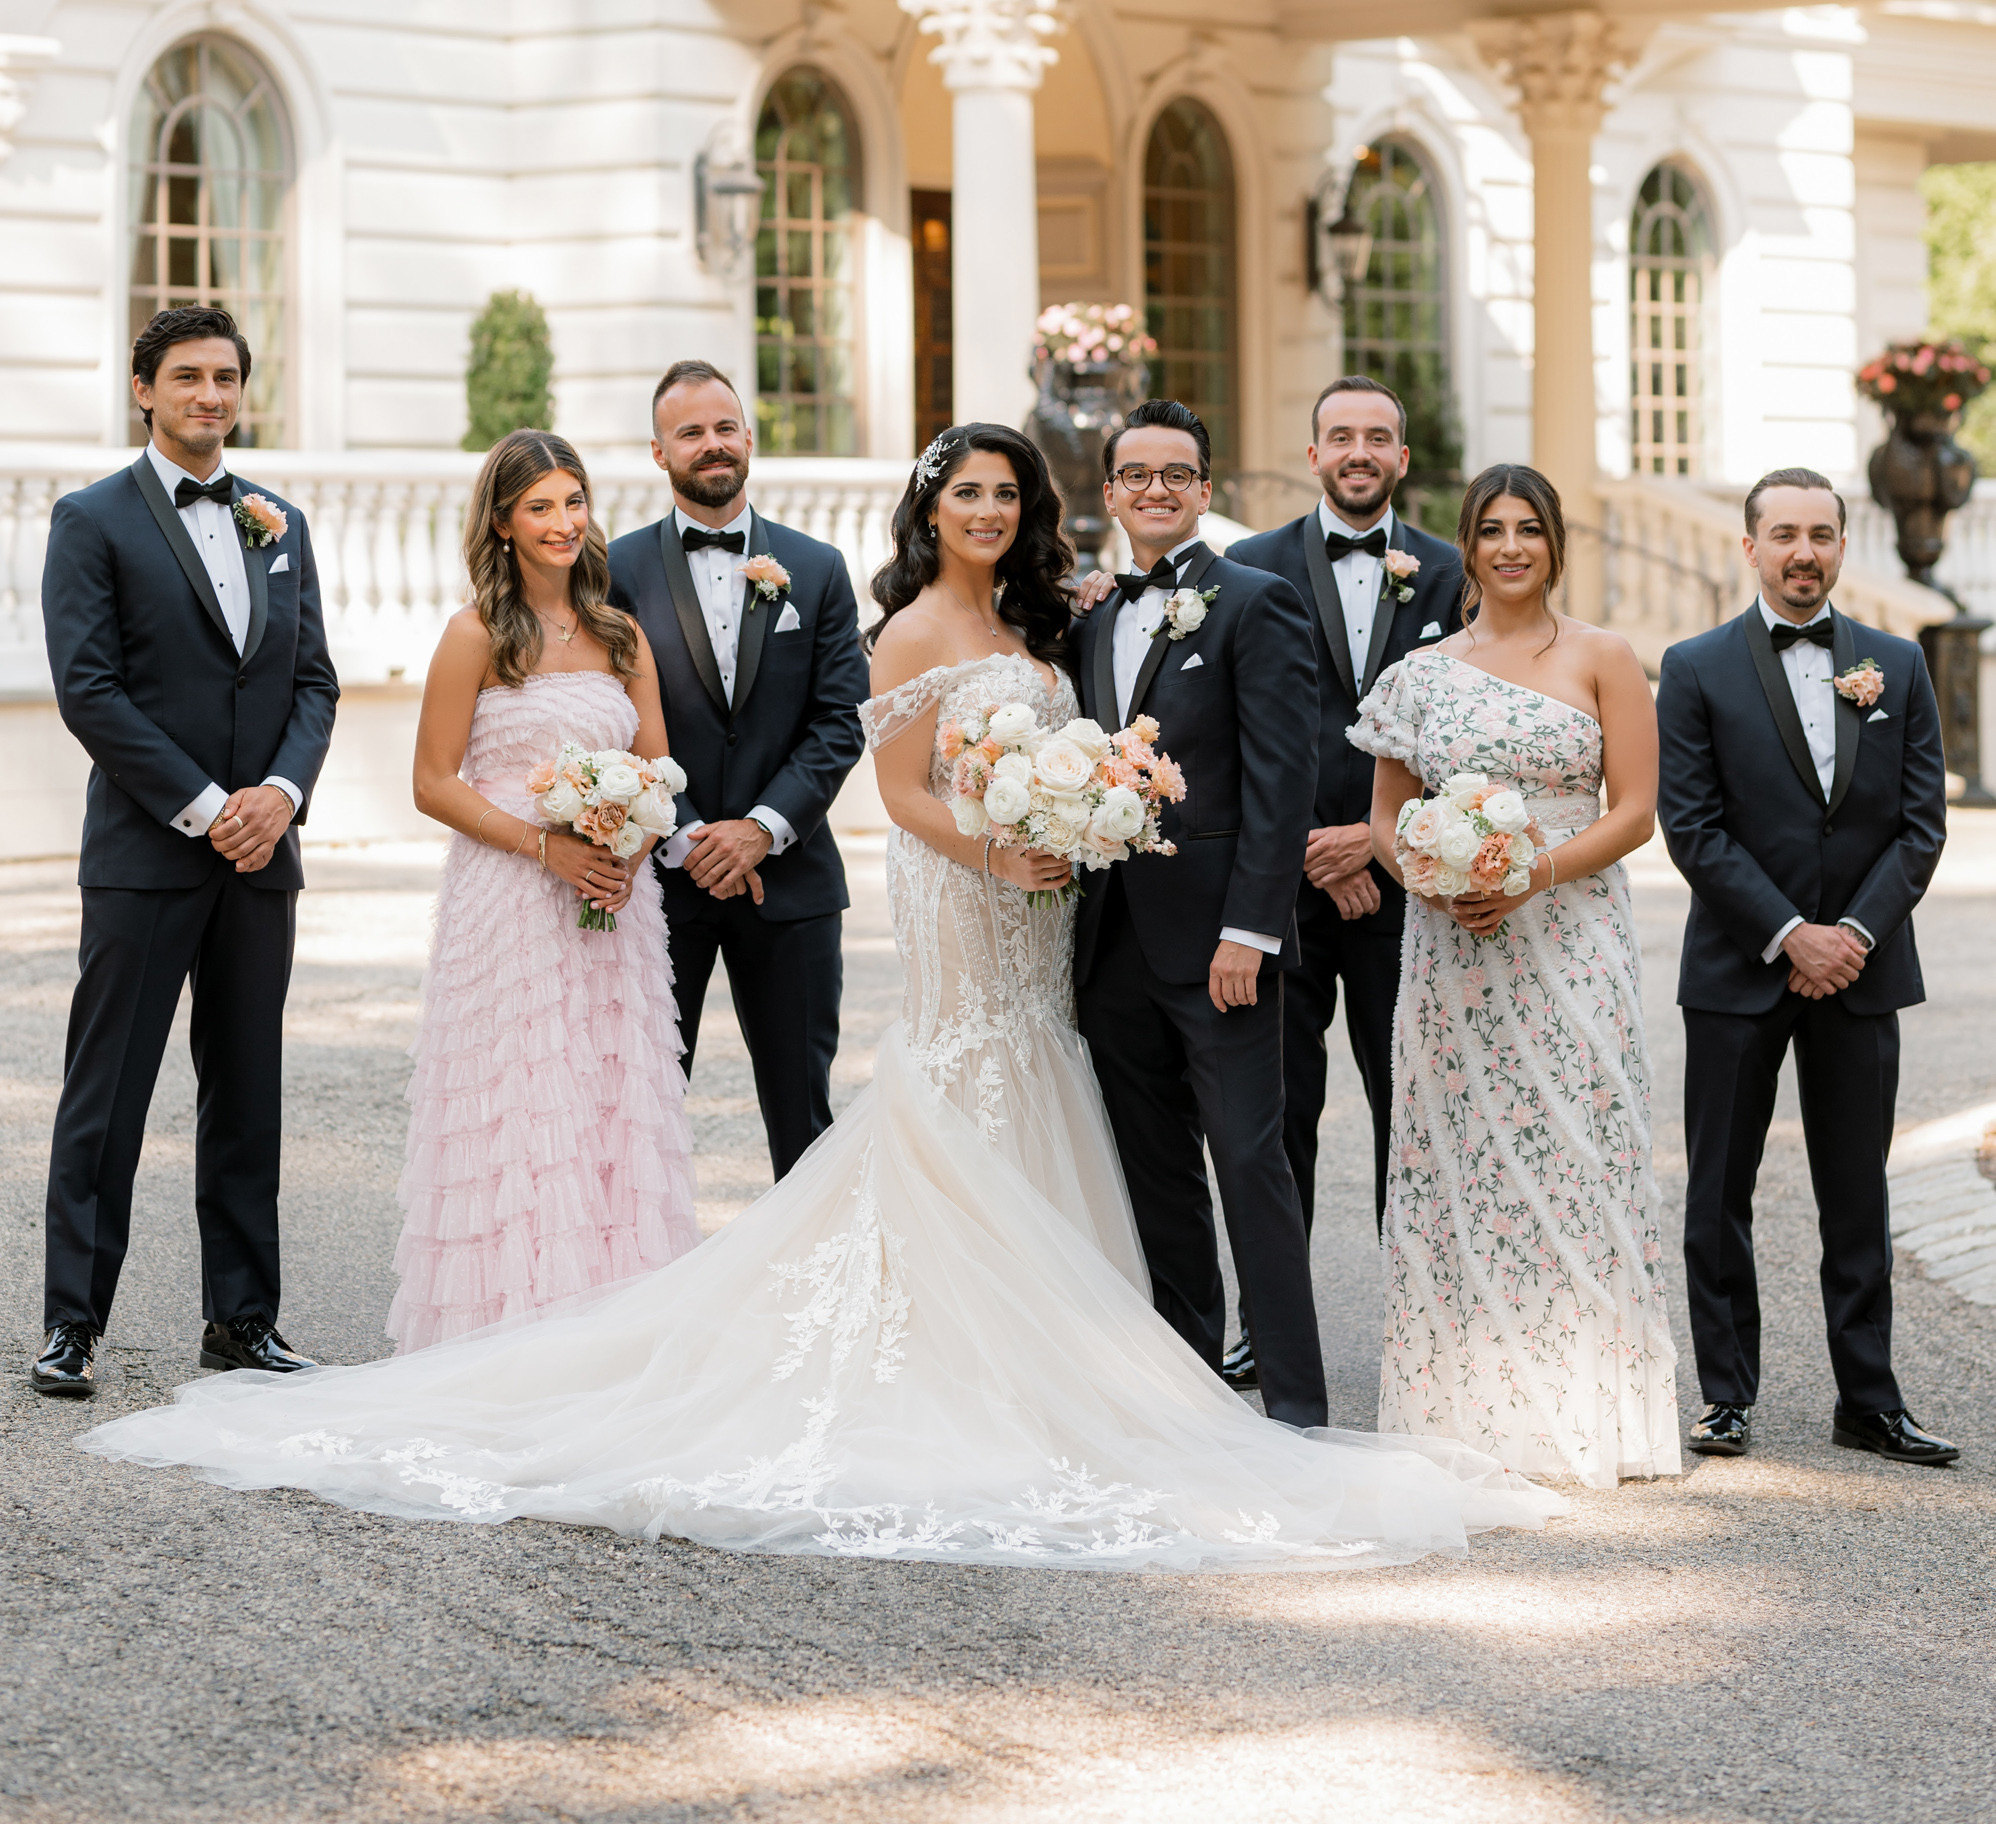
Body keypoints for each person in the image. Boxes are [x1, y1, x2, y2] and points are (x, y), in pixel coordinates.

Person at [81, 423, 1560, 1569]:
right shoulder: (910, 628)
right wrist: (1011, 845)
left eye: (1004, 497)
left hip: (1062, 932)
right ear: (930, 514)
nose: (985, 515)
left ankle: (1153, 1374)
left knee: (1122, 1139)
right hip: (979, 908)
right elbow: (902, 789)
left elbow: (1125, 751)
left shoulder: (1067, 628)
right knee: (971, 1119)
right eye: (964, 497)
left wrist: (1075, 825)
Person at [32, 303, 340, 1399]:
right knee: (107, 1093)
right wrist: (210, 805)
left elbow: (313, 680)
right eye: (190, 376)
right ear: (145, 388)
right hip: (146, 853)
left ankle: (243, 1321)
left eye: (226, 377)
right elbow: (90, 690)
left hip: (263, 857)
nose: (211, 395)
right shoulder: (91, 520)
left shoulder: (281, 522)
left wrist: (280, 798)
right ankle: (73, 1324)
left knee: (247, 1091)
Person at [1354, 463, 1680, 1487]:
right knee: (1461, 1165)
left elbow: (1633, 810)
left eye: (1527, 529)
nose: (1508, 548)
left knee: (1577, 1150)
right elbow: (1382, 814)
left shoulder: (1603, 657)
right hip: (1452, 950)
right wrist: (1433, 878)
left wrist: (1530, 872)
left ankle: (1588, 1404)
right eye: (1490, 530)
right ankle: (1462, 1405)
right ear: (1466, 543)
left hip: (1571, 938)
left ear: (1553, 544)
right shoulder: (1420, 673)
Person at [1656, 468, 1955, 1467]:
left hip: (1861, 970)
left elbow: (1919, 829)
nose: (1803, 551)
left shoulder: (1896, 666)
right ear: (1748, 548)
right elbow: (1691, 830)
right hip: (1739, 969)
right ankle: (1726, 1397)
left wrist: (1852, 937)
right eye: (1783, 533)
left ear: (1840, 546)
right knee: (1717, 1193)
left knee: (1856, 1191)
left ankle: (1868, 1401)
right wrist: (1791, 933)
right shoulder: (1693, 668)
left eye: (1821, 534)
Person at [388, 429, 700, 1349]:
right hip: (510, 905)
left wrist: (629, 844)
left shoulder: (620, 633)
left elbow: (658, 770)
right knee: (523, 1101)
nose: (564, 523)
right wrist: (544, 846)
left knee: (609, 1096)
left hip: (616, 897)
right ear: (503, 521)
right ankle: (506, 1329)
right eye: (541, 507)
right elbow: (433, 782)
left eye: (574, 502)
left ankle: (616, 1328)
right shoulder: (475, 634)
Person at [1070, 401, 1330, 1431]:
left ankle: (1297, 1402)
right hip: (1110, 941)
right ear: (1110, 492)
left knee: (1250, 1164)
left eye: (1176, 474)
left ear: (1205, 489)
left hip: (1219, 941)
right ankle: (1186, 1385)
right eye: (1136, 475)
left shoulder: (1255, 602)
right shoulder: (1091, 612)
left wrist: (1251, 933)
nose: (1155, 491)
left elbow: (1283, 779)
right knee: (1155, 1170)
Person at [1225, 375, 1462, 1392]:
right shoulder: (1245, 565)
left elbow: (1472, 734)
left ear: (1401, 460)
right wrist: (1306, 856)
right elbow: (1227, 739)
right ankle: (1266, 1330)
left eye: (1377, 437)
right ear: (1312, 452)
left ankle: (1421, 1330)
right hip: (1278, 895)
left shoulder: (1456, 572)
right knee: (1274, 1122)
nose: (1358, 450)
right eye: (1339, 436)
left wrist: (1374, 843)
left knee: (1411, 1111)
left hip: (1406, 895)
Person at [606, 361, 868, 1179]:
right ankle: (642, 1287)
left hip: (787, 885)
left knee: (802, 1112)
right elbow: (603, 720)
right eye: (690, 432)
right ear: (659, 453)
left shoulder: (818, 567)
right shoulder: (611, 570)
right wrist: (683, 838)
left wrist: (760, 829)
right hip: (657, 884)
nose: (711, 445)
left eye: (725, 427)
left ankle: (811, 1294)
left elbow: (839, 720)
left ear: (748, 438)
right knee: (642, 1105)